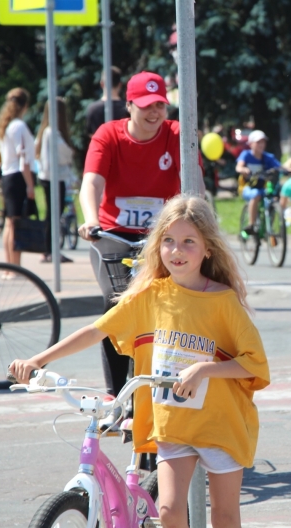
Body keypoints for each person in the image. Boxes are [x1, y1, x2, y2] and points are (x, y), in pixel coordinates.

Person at [9, 195, 269, 528]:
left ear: (208, 249)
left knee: (224, 518)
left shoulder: (223, 300)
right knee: (169, 511)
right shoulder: (150, 295)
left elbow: (254, 363)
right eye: (169, 241)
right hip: (172, 421)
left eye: (189, 242)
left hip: (220, 424)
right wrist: (38, 359)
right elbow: (96, 330)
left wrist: (205, 369)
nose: (177, 251)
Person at [80, 70, 203, 406]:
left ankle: (174, 384)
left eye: (160, 105)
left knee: (177, 304)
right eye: (147, 105)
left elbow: (194, 184)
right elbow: (91, 182)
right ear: (129, 105)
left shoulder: (176, 134)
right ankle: (115, 395)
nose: (154, 113)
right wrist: (91, 220)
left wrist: (200, 220)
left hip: (163, 235)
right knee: (117, 304)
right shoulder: (109, 135)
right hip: (113, 234)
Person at [0, 87, 36, 268]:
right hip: (17, 177)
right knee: (16, 224)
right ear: (25, 105)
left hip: (7, 176)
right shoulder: (19, 126)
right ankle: (15, 266)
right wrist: (29, 185)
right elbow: (23, 159)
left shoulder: (6, 125)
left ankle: (9, 264)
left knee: (9, 222)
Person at [35, 97, 76, 263]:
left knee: (52, 214)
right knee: (54, 214)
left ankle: (49, 250)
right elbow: (65, 154)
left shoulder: (46, 130)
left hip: (48, 176)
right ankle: (50, 250)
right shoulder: (53, 132)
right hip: (54, 177)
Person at [235, 129, 282, 234]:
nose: (261, 145)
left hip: (262, 188)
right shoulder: (246, 155)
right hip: (247, 188)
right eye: (258, 142)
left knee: (272, 199)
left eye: (263, 142)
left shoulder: (268, 157)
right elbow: (239, 167)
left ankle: (268, 228)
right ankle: (251, 225)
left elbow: (279, 167)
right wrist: (243, 169)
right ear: (251, 144)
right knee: (255, 194)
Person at [85, 66, 130, 138]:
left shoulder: (93, 109)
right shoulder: (128, 108)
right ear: (120, 85)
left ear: (102, 84)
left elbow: (92, 135)